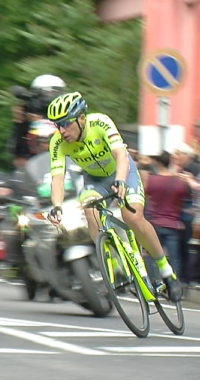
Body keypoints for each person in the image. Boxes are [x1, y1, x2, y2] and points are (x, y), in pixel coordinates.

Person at [45, 91, 182, 301]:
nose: (62, 130)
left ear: (81, 118)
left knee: (132, 217)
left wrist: (120, 181)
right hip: (94, 180)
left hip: (122, 171)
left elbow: (120, 154)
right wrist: (57, 206)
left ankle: (166, 271)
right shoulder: (57, 142)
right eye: (57, 125)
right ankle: (113, 265)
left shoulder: (100, 123)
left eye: (66, 123)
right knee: (89, 210)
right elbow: (57, 178)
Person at [143, 151, 191, 283]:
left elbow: (145, 196)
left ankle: (153, 283)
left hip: (154, 223)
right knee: (174, 258)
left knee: (152, 255)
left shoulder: (152, 180)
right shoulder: (179, 182)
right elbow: (186, 198)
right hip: (172, 225)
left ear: (159, 163)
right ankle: (173, 284)